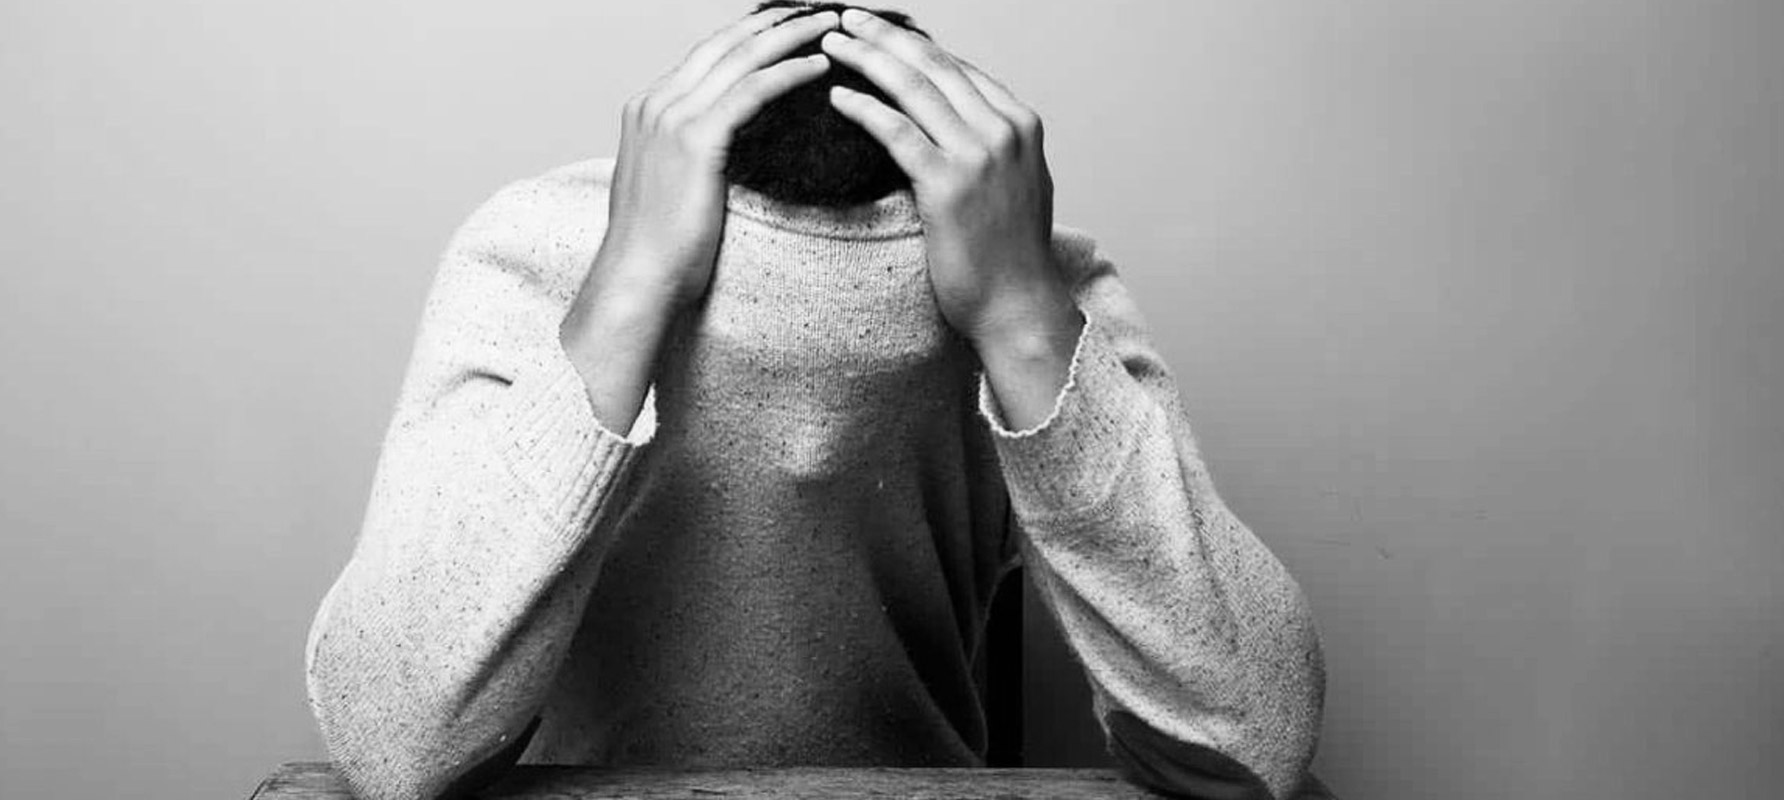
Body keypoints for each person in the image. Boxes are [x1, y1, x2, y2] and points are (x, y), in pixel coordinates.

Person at [303, 3, 1334, 799]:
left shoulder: (1032, 281)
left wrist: (1021, 315)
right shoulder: (540, 252)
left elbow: (1254, 734)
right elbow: (392, 738)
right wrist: (624, 292)